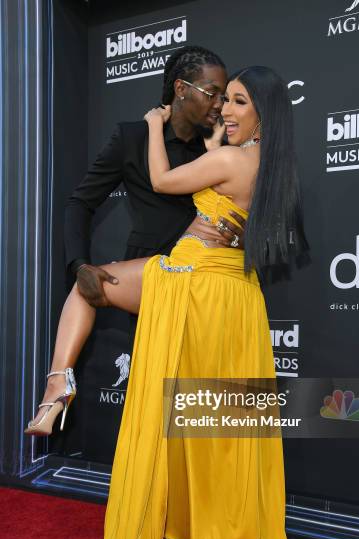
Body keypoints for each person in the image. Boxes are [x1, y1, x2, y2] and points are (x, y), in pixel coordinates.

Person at [99, 66, 308, 539]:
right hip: (237, 298)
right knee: (219, 424)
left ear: (262, 112)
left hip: (194, 289)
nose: (225, 111)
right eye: (225, 101)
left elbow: (164, 181)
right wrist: (225, 139)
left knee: (173, 409)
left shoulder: (231, 160)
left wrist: (152, 125)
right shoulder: (270, 166)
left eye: (239, 102)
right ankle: (220, 526)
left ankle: (59, 382)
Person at [24, 46, 245, 430]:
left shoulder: (219, 147)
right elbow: (79, 203)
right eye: (213, 93)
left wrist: (237, 230)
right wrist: (79, 265)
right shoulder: (133, 138)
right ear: (180, 88)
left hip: (204, 276)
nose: (220, 104)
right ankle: (58, 386)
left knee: (194, 405)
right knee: (154, 402)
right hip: (148, 276)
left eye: (225, 96)